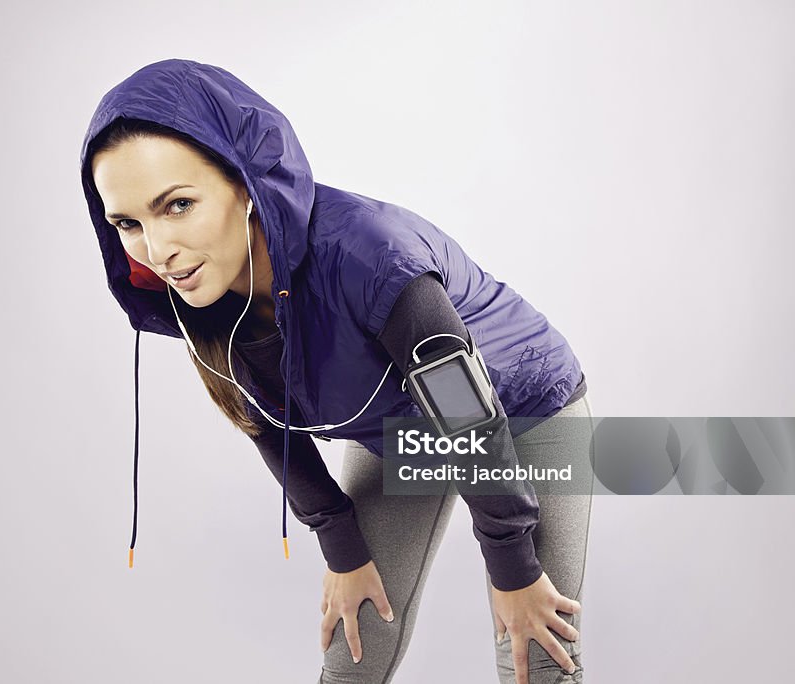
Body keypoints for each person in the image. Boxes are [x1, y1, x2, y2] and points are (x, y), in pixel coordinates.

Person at [79, 58, 594, 684]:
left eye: (178, 205)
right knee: (354, 653)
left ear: (245, 184)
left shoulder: (372, 256)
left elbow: (465, 412)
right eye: (128, 223)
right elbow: (262, 420)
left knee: (536, 657)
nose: (157, 251)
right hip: (396, 432)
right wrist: (340, 542)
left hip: (524, 408)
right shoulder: (202, 288)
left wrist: (512, 568)